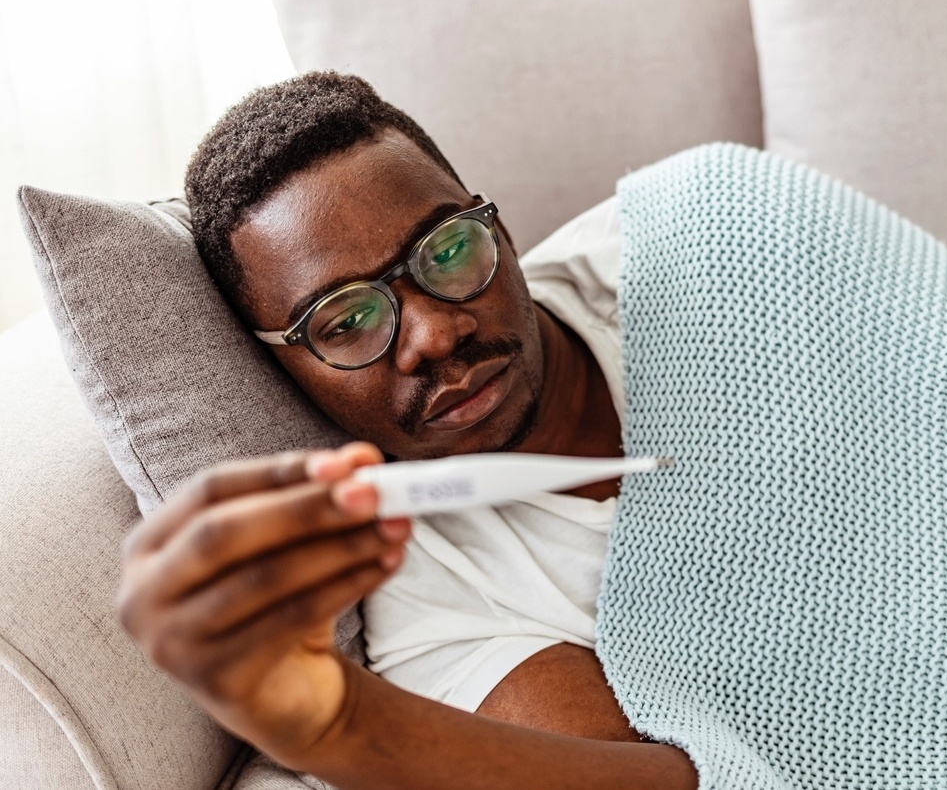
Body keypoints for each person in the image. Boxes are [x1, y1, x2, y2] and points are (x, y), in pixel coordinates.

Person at [115, 71, 698, 789]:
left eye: (448, 252)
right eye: (349, 321)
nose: (435, 334)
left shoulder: (696, 236)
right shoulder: (435, 597)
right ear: (286, 369)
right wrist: (342, 729)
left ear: (499, 230)